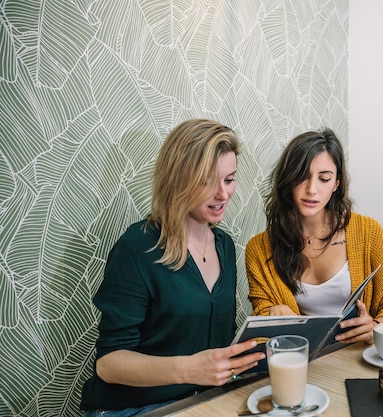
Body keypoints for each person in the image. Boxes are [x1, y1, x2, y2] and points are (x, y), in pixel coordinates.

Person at [81, 119, 265, 416]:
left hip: (203, 402)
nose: (222, 194)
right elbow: (109, 364)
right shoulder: (138, 247)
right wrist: (191, 369)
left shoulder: (225, 246)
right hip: (133, 407)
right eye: (207, 182)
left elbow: (217, 338)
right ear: (178, 179)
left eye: (229, 179)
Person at [245, 128, 383, 346]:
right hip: (300, 361)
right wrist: (272, 312)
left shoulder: (368, 232)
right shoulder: (259, 249)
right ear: (287, 180)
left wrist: (376, 325)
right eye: (301, 177)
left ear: (336, 183)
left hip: (359, 357)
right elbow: (261, 316)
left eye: (324, 178)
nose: (311, 189)